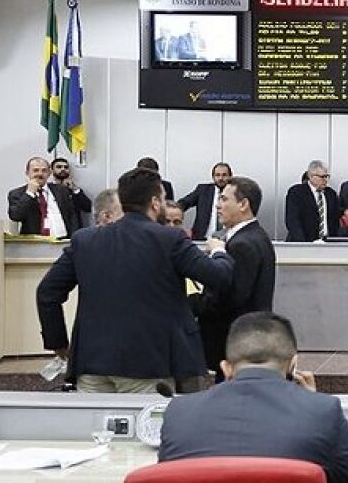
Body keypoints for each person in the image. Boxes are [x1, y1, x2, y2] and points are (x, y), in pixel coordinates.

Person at [36, 167, 234, 393]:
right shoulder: (170, 239)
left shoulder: (84, 240)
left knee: (91, 427)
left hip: (91, 362)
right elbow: (219, 276)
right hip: (148, 364)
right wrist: (219, 251)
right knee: (145, 427)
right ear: (155, 202)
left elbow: (47, 293)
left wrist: (59, 344)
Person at [159, 311, 348, 483]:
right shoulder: (322, 411)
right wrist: (312, 401)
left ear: (226, 368)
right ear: (293, 364)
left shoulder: (179, 412)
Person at [191, 177, 276, 381]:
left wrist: (194, 301)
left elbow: (230, 297)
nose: (218, 205)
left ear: (243, 204)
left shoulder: (242, 244)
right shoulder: (255, 236)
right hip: (247, 340)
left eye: (224, 199)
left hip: (233, 342)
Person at [8, 157, 79, 238]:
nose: (40, 174)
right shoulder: (17, 194)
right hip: (34, 243)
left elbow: (72, 215)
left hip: (63, 241)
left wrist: (74, 237)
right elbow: (15, 216)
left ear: (49, 173)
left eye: (44, 170)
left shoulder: (62, 190)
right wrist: (29, 193)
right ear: (27, 173)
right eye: (35, 170)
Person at [285, 160, 339, 242]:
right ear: (311, 176)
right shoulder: (297, 192)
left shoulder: (331, 194)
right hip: (304, 243)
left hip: (327, 244)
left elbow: (334, 221)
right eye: (322, 177)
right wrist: (303, 244)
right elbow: (293, 221)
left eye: (327, 176)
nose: (325, 180)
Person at [178, 162, 232, 240]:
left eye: (224, 175)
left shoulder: (236, 192)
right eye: (217, 175)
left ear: (230, 176)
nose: (220, 178)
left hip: (228, 239)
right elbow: (184, 203)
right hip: (202, 238)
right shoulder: (203, 190)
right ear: (213, 177)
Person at [50, 157, 91, 227]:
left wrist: (75, 189)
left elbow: (87, 208)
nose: (63, 169)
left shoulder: (74, 190)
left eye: (66, 167)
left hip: (74, 230)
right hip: (54, 229)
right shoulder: (48, 189)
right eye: (59, 167)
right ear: (52, 170)